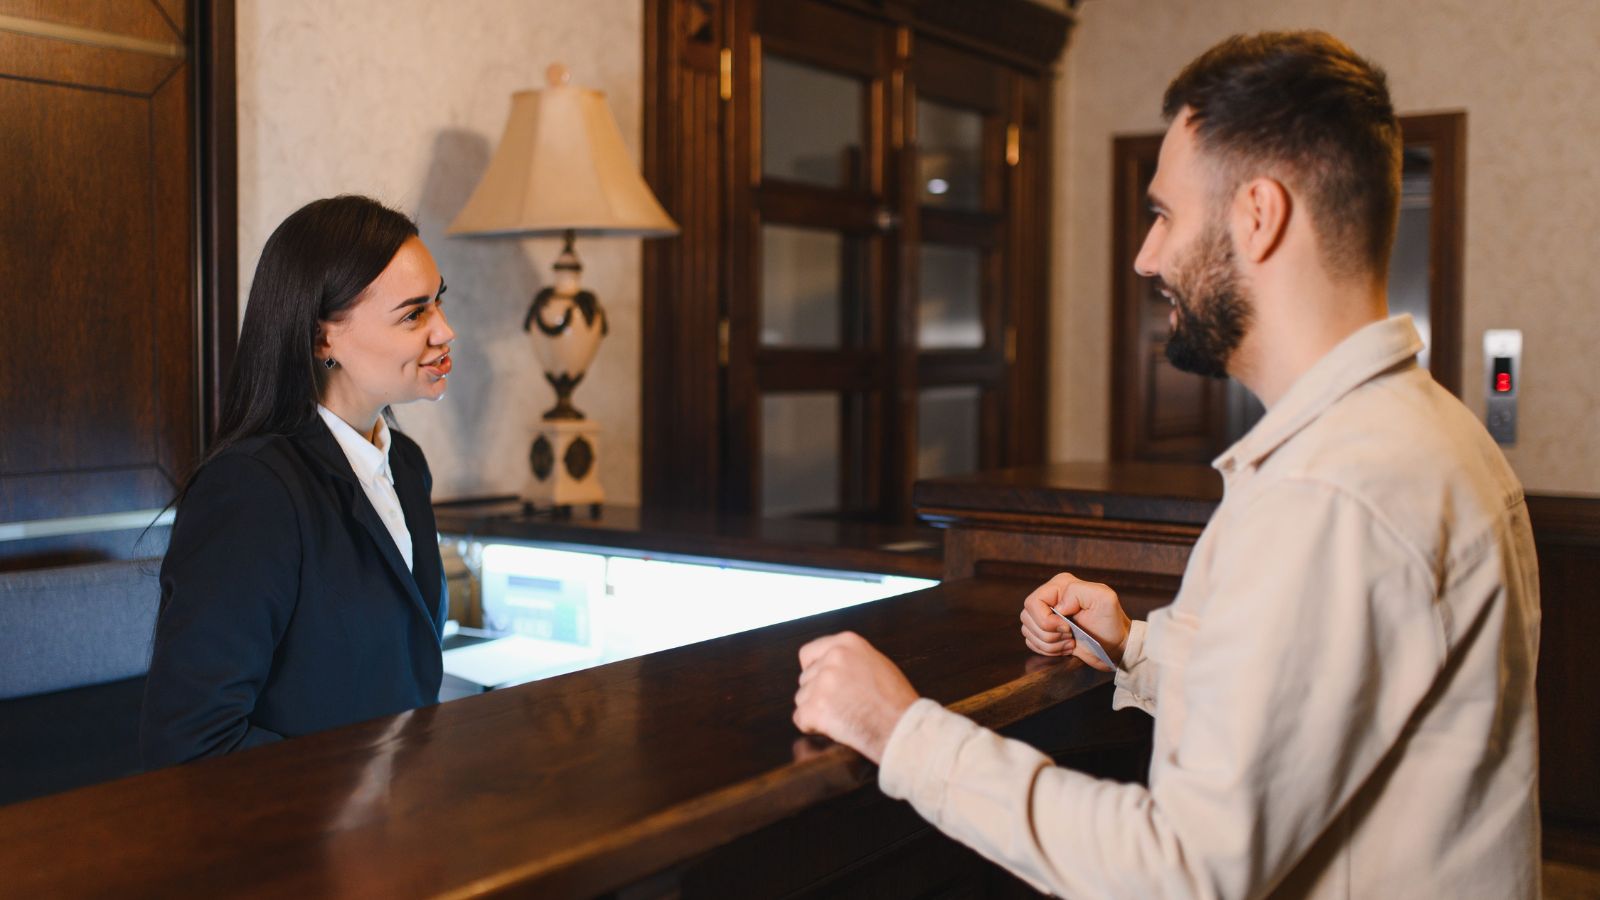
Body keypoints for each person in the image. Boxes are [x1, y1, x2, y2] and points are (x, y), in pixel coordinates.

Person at [793, 31, 1540, 899]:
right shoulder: (1429, 433)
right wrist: (1135, 649)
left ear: (1259, 215)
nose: (1147, 257)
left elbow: (1182, 871)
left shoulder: (1328, 491)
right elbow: (1333, 699)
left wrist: (899, 731)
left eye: (1165, 215)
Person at [142, 195, 458, 768]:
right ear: (321, 339)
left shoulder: (405, 465)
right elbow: (194, 739)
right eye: (414, 314)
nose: (445, 331)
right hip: (301, 842)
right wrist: (352, 813)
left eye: (438, 303)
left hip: (402, 828)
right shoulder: (252, 489)